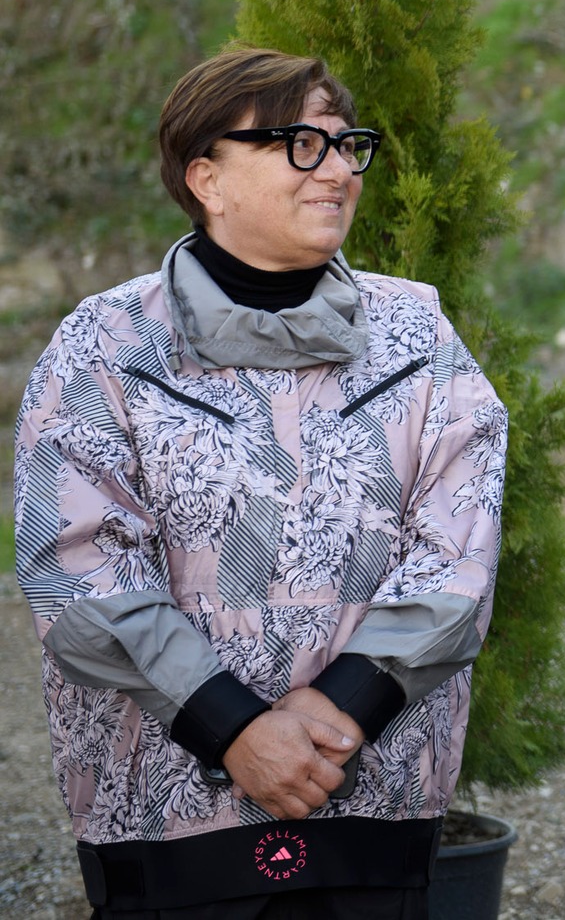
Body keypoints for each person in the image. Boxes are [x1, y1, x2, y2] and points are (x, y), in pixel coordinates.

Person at [13, 48, 507, 919]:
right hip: (164, 813)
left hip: (371, 800)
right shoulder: (108, 344)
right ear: (206, 177)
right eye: (299, 145)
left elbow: (458, 552)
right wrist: (232, 728)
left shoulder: (417, 333)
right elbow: (79, 569)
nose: (339, 170)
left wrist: (343, 708)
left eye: (346, 145)